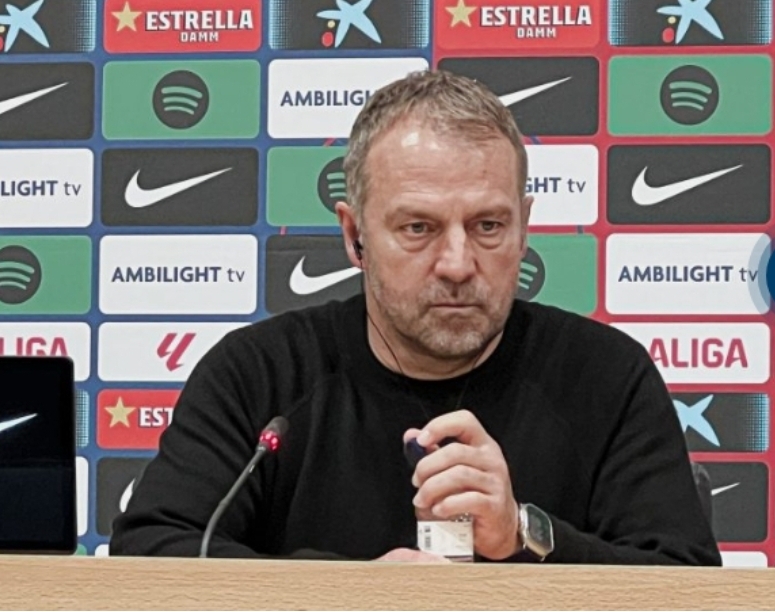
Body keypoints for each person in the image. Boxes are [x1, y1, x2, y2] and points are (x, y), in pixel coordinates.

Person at [110, 69, 721, 565]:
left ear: (524, 228)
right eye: (418, 228)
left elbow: (686, 586)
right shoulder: (260, 374)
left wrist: (523, 533)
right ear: (354, 236)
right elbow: (151, 550)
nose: (457, 264)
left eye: (488, 225)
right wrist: (357, 596)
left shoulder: (605, 377)